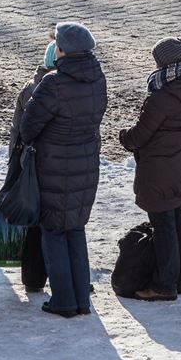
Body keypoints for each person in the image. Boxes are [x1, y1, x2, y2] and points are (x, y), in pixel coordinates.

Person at [20, 22, 107, 317]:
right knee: (74, 230)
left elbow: (28, 127)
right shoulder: (97, 79)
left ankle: (64, 301)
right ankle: (81, 298)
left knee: (54, 232)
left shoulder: (53, 84)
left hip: (53, 166)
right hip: (85, 163)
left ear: (63, 50)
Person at [120, 37, 181, 299]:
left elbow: (139, 136)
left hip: (160, 171)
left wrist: (124, 136)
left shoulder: (163, 96)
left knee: (164, 226)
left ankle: (164, 285)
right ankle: (180, 281)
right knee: (178, 221)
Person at [8, 39, 57, 293]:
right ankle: (44, 276)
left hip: (31, 163)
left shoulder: (31, 87)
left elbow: (17, 131)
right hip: (45, 164)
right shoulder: (54, 88)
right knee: (50, 222)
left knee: (35, 222)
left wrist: (14, 165)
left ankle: (33, 278)